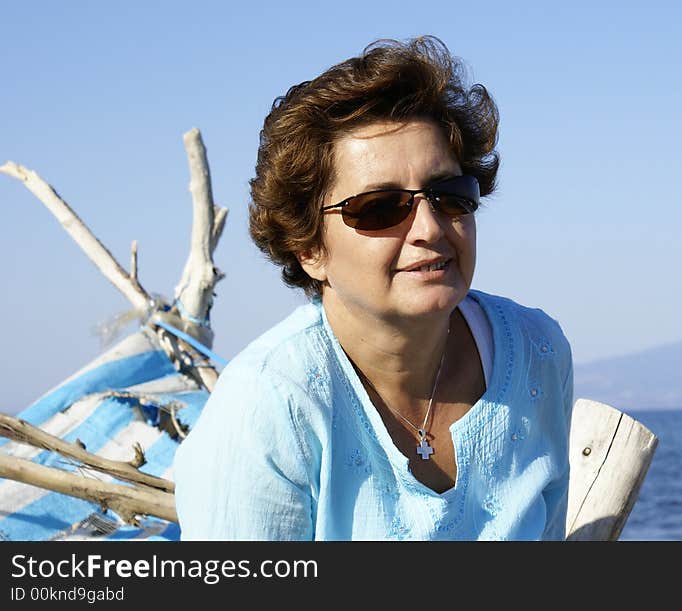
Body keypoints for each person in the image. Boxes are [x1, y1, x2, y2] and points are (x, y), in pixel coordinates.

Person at [172, 35, 574, 540]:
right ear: (309, 248)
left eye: (449, 196)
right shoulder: (270, 406)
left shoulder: (538, 351)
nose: (429, 228)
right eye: (380, 207)